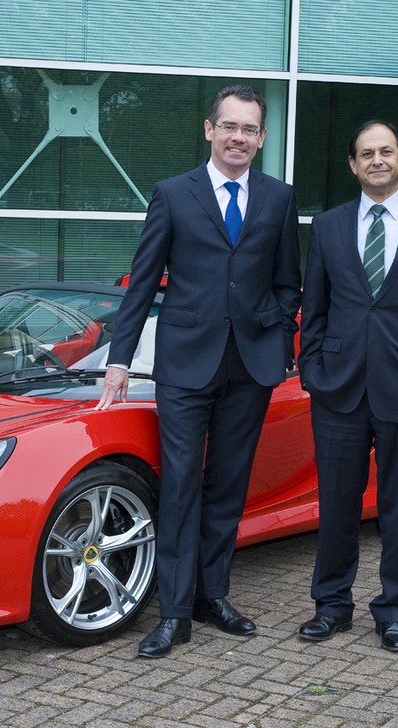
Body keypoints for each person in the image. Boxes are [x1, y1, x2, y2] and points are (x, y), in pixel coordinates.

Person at [96, 85, 302, 658]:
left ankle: (214, 595)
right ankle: (174, 613)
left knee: (229, 484)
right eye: (229, 126)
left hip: (251, 365)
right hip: (185, 364)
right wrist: (118, 360)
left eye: (249, 129)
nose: (239, 137)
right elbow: (142, 283)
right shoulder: (172, 194)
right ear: (210, 130)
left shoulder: (279, 198)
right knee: (183, 485)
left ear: (262, 138)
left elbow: (288, 281)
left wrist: (279, 336)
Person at [296, 120, 398, 653]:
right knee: (337, 505)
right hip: (338, 391)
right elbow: (314, 308)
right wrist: (311, 371)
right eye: (366, 153)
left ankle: (395, 612)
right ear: (353, 164)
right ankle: (331, 606)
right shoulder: (328, 226)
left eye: (386, 151)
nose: (377, 161)